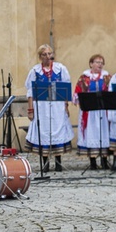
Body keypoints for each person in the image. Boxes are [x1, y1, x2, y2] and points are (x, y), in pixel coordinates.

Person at [24, 44, 74, 172]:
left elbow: (65, 89)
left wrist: (66, 107)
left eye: (49, 54)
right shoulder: (35, 71)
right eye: (45, 54)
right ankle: (45, 162)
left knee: (57, 129)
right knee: (44, 131)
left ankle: (58, 162)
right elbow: (30, 92)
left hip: (57, 106)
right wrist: (30, 110)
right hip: (42, 107)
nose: (48, 57)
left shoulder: (60, 69)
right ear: (40, 56)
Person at [74, 54, 112, 170]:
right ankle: (93, 162)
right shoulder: (84, 77)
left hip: (103, 111)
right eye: (97, 62)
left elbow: (112, 92)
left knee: (103, 133)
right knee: (91, 133)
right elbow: (77, 93)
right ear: (91, 64)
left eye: (101, 62)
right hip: (89, 112)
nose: (99, 64)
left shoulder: (107, 77)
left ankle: (104, 161)